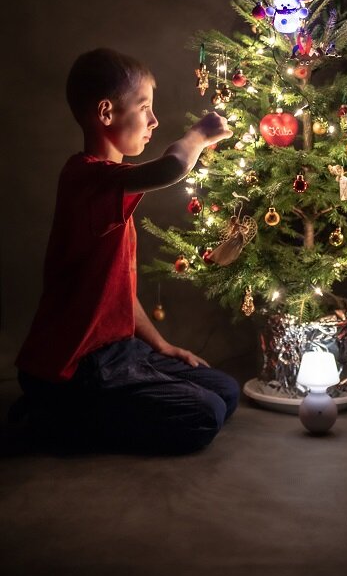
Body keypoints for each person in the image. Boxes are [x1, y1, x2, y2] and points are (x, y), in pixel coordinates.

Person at [11, 47, 239, 455]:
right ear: (106, 113)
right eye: (145, 107)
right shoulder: (86, 180)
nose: (154, 120)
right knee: (205, 415)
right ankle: (56, 416)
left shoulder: (112, 186)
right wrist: (199, 136)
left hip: (119, 350)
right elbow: (171, 168)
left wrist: (162, 346)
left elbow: (117, 293)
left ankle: (92, 404)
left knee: (225, 392)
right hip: (76, 367)